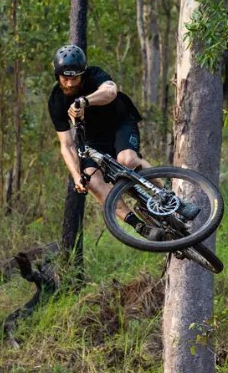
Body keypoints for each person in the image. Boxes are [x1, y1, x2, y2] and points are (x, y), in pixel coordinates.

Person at [46, 44, 167, 239]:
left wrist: (84, 101)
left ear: (83, 73)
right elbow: (66, 145)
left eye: (74, 78)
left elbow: (110, 91)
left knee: (127, 160)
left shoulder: (94, 74)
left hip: (120, 123)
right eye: (65, 78)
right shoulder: (56, 100)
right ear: (57, 74)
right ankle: (139, 226)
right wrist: (76, 176)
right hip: (93, 140)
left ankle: (166, 195)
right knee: (91, 180)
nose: (69, 84)